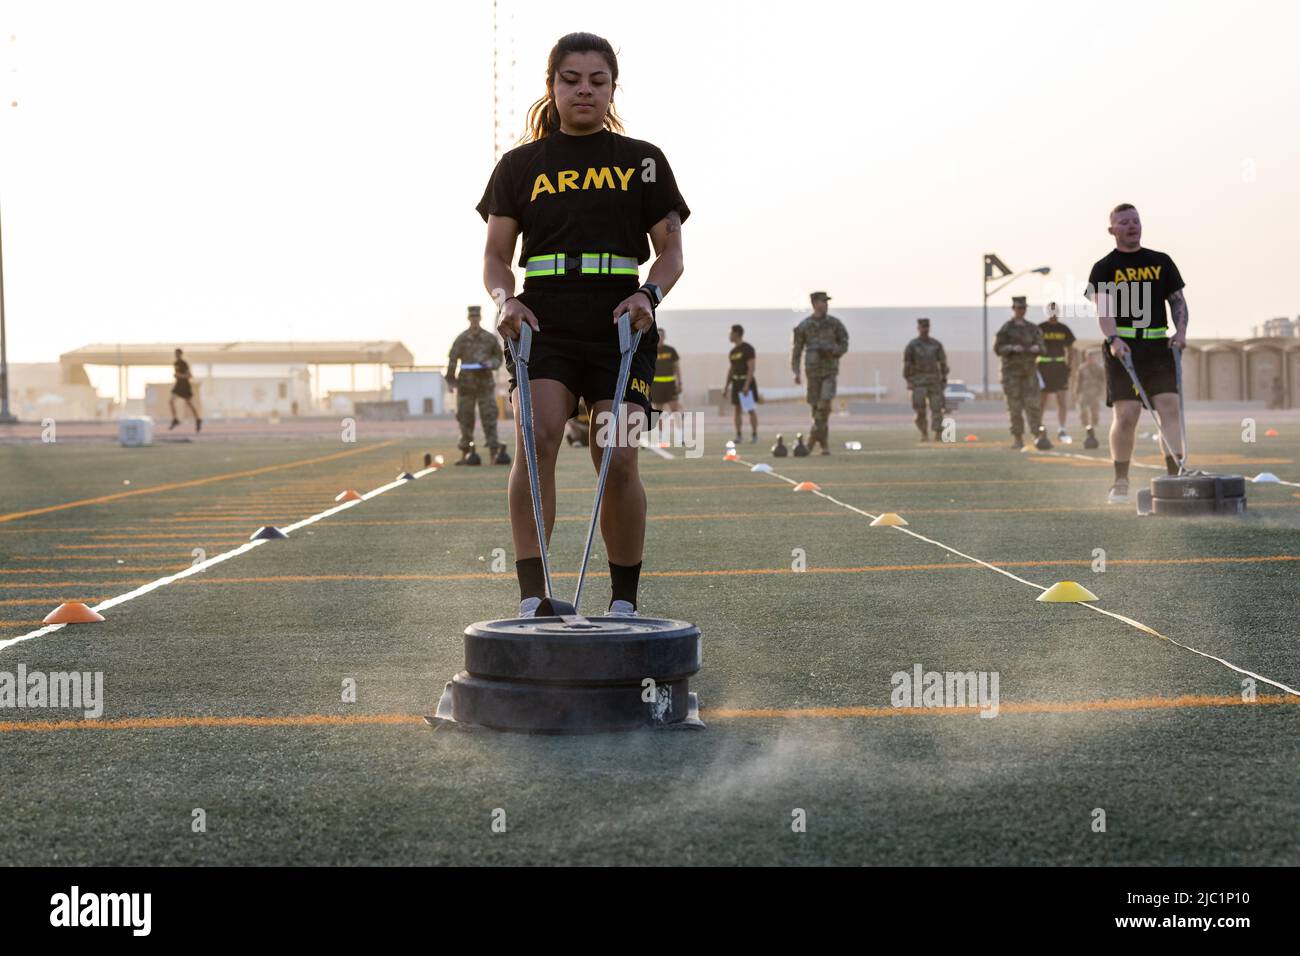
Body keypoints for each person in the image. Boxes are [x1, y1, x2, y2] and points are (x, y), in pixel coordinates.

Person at [477, 32, 689, 617]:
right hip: (543, 318)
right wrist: (505, 301)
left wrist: (649, 294)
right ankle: (533, 598)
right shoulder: (519, 166)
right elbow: (496, 257)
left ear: (612, 88)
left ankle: (623, 602)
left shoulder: (642, 161)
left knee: (616, 453)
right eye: (571, 80)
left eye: (598, 81)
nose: (584, 91)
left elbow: (671, 255)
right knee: (535, 438)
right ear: (552, 85)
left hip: (621, 320)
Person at [1086, 203, 1188, 504]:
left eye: (1136, 220)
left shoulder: (1161, 261)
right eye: (1124, 222)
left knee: (1169, 405)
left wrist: (1180, 334)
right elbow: (1103, 311)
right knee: (1127, 414)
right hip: (1124, 348)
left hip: (1158, 345)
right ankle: (1120, 479)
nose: (1132, 226)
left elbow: (1178, 301)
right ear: (1112, 230)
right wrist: (1114, 339)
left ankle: (1175, 475)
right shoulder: (1104, 267)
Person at [446, 305, 506, 464]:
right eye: (472, 317)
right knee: (465, 418)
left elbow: (499, 358)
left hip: (485, 384)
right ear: (469, 318)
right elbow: (452, 359)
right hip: (466, 386)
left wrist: (490, 363)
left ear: (480, 318)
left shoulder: (489, 338)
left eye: (476, 317)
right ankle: (465, 454)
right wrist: (450, 380)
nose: (474, 320)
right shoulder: (461, 338)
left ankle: (494, 454)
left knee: (489, 417)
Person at [791, 291, 849, 454]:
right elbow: (796, 350)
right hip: (812, 372)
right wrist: (796, 371)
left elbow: (844, 343)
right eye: (823, 302)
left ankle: (810, 441)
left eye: (826, 302)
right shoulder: (804, 326)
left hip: (829, 371)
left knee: (824, 404)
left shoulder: (835, 324)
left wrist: (834, 351)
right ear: (814, 304)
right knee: (816, 408)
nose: (825, 305)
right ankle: (823, 443)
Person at [993, 296, 1051, 450]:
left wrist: (1037, 349)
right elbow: (997, 349)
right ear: (1013, 309)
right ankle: (1018, 438)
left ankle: (1038, 436)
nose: (1021, 311)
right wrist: (1011, 348)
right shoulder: (1006, 328)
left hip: (1029, 372)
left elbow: (1043, 348)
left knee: (1033, 405)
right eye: (1019, 308)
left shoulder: (1032, 328)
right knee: (1015, 407)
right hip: (1011, 374)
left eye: (1023, 308)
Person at [903, 317, 948, 442]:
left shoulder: (936, 345)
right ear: (918, 328)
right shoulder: (912, 346)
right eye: (923, 327)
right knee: (919, 410)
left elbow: (943, 363)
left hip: (934, 382)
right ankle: (924, 433)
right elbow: (907, 364)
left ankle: (938, 433)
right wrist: (909, 381)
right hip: (918, 383)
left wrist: (943, 380)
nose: (925, 329)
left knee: (937, 409)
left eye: (927, 327)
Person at [1038, 301, 1077, 442]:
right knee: (1042, 400)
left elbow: (1071, 349)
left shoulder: (1064, 329)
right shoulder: (1040, 328)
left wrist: (1069, 366)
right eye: (1050, 309)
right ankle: (1039, 427)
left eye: (1055, 309)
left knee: (1061, 400)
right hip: (1044, 367)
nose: (1053, 312)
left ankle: (1062, 429)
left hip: (1060, 367)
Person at [724, 324, 758, 443]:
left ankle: (754, 435)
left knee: (749, 409)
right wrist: (726, 386)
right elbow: (731, 369)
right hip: (736, 382)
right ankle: (739, 435)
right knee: (737, 410)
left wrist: (747, 385)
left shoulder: (747, 348)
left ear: (737, 334)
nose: (729, 335)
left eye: (731, 333)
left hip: (745, 382)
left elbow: (751, 368)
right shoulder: (733, 352)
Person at [650, 326, 683, 444]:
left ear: (665, 337)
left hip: (670, 385)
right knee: (657, 412)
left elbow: (677, 367)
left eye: (662, 335)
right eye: (658, 335)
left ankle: (680, 436)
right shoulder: (651, 350)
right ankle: (660, 437)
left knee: (675, 409)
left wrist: (679, 382)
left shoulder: (671, 351)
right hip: (656, 385)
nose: (660, 337)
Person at [1072, 350, 1106, 449]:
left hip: (1094, 391)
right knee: (1082, 409)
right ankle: (1084, 423)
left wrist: (1101, 390)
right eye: (1089, 357)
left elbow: (1102, 379)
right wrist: (1076, 391)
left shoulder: (1098, 368)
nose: (1090, 359)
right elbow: (1078, 380)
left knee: (1094, 409)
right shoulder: (1082, 368)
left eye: (1092, 357)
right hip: (1084, 391)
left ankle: (1095, 424)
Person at [169, 348, 202, 432]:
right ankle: (175, 419)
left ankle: (198, 419)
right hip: (178, 385)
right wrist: (177, 376)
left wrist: (180, 375)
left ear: (181, 354)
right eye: (175, 353)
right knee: (171, 401)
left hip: (185, 385)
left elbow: (189, 375)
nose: (176, 355)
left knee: (189, 404)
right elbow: (177, 374)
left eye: (178, 354)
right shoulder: (175, 363)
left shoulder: (184, 363)